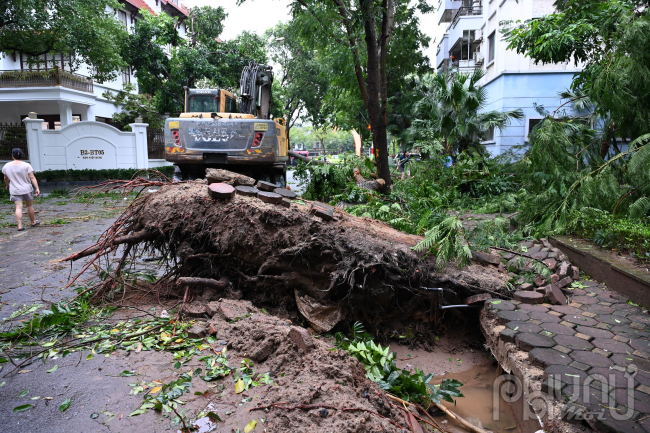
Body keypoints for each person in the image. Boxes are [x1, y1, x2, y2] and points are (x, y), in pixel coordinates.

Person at [2, 148, 40, 231]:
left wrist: (7, 185)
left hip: (15, 190)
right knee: (29, 205)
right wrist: (37, 188)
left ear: (12, 156)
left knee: (18, 207)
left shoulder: (6, 166)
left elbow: (5, 178)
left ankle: (19, 226)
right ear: (22, 155)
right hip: (27, 189)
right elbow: (32, 177)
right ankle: (33, 222)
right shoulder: (27, 165)